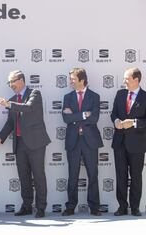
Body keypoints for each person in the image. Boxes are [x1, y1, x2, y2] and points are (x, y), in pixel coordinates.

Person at [0, 70, 50, 218]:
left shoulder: (34, 93)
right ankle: (27, 206)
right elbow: (10, 124)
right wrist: (0, 138)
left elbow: (28, 108)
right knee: (23, 177)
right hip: (20, 143)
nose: (11, 85)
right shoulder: (12, 100)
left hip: (35, 143)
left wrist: (9, 104)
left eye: (13, 81)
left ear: (22, 80)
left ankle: (41, 207)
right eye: (9, 82)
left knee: (38, 176)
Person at [61, 68, 103, 216]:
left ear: (81, 80)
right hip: (73, 141)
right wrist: (84, 114)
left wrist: (76, 116)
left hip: (90, 141)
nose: (70, 81)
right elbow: (66, 118)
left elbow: (94, 118)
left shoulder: (94, 96)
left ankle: (95, 207)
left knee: (93, 174)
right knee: (72, 175)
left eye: (72, 79)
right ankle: (71, 206)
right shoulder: (67, 97)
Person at [111, 67, 146, 217]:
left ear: (136, 80)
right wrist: (116, 121)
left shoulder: (145, 97)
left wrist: (134, 122)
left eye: (127, 78)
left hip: (137, 144)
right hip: (119, 142)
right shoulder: (120, 94)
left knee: (136, 176)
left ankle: (135, 208)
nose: (124, 81)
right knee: (121, 176)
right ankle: (122, 207)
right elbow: (113, 113)